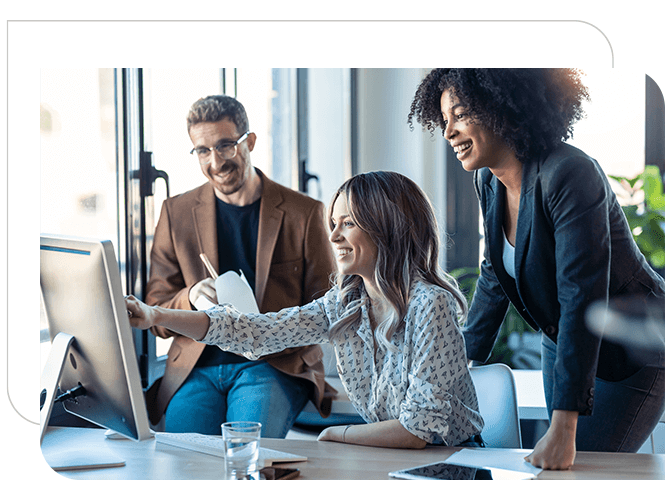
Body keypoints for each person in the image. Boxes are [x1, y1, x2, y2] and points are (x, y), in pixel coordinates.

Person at [408, 68, 665, 469]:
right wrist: (455, 365)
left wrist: (563, 428)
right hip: (561, 341)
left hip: (626, 351)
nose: (449, 133)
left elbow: (582, 297)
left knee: (586, 473)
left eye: (459, 115)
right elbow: (495, 275)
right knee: (554, 474)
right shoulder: (488, 182)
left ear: (500, 106)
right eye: (444, 121)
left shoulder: (570, 172)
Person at [128, 171, 484, 449]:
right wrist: (155, 316)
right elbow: (254, 333)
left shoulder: (430, 305)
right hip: (396, 457)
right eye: (334, 223)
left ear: (387, 228)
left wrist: (336, 436)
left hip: (452, 463)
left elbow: (417, 430)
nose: (333, 237)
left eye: (348, 223)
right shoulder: (346, 302)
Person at [144, 95, 335, 438]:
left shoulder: (304, 213)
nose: (215, 161)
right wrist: (189, 297)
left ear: (249, 142)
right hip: (196, 366)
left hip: (273, 364)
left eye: (225, 146)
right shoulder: (176, 212)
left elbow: (326, 309)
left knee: (246, 449)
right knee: (183, 459)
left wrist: (269, 333)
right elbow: (155, 308)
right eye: (202, 151)